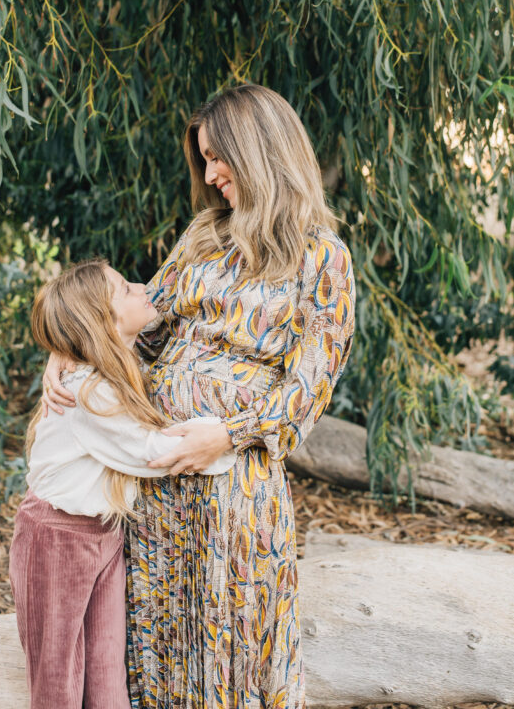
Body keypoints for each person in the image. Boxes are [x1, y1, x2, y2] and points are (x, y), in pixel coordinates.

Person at [43, 83, 356, 709]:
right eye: (206, 159)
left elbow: (307, 389)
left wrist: (229, 433)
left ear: (261, 152)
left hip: (232, 490)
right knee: (159, 642)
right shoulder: (204, 238)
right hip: (156, 486)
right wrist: (69, 348)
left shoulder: (322, 260)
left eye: (219, 157)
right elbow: (130, 318)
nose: (210, 176)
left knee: (234, 648)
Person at [10, 259, 235, 709]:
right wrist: (232, 437)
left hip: (104, 533)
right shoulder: (89, 392)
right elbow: (152, 453)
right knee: (58, 675)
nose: (140, 286)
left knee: (107, 667)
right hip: (56, 536)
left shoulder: (112, 373)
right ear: (103, 321)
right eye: (124, 289)